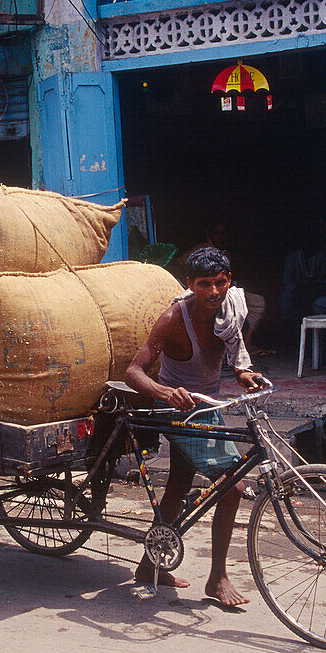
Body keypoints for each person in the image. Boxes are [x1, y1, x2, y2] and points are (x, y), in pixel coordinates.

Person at [124, 247, 266, 607]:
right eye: (204, 284)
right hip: (174, 410)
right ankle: (217, 578)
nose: (214, 292)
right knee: (233, 487)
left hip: (206, 407)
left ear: (229, 281)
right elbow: (134, 371)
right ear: (190, 284)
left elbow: (236, 358)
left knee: (178, 486)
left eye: (220, 283)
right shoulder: (174, 318)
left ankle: (147, 565)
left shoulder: (230, 310)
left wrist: (245, 374)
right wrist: (165, 392)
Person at [180, 221, 267, 351]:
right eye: (217, 233)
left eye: (223, 234)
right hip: (205, 294)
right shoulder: (200, 250)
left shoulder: (226, 254)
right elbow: (179, 263)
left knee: (258, 303)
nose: (221, 237)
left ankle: (245, 343)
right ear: (210, 234)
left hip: (224, 292)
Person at [278, 218, 326, 324]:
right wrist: (300, 288)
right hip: (297, 291)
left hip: (316, 290)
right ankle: (287, 326)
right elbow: (287, 282)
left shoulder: (323, 254)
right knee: (286, 296)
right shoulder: (293, 258)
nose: (308, 242)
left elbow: (325, 276)